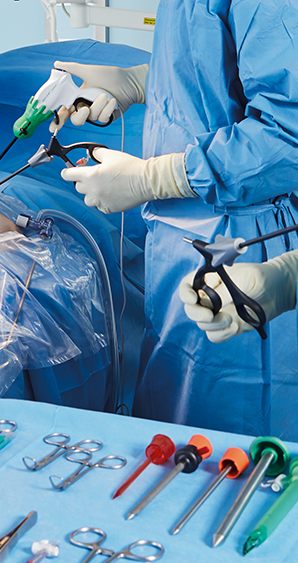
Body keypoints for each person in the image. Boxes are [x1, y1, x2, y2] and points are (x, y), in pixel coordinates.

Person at [52, 1, 298, 439]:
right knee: (173, 437)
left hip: (247, 238)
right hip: (182, 236)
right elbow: (219, 67)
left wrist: (157, 177)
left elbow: (288, 136)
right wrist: (141, 82)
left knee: (235, 450)